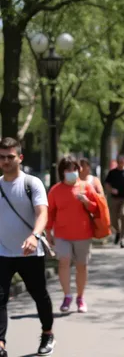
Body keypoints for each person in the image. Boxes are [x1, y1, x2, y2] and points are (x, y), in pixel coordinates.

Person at [0, 137, 55, 356]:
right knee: (0, 298)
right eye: (2, 157)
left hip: (30, 252)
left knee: (39, 294)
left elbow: (43, 213)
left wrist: (35, 236)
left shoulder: (31, 184)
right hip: (3, 252)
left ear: (20, 158)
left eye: (10, 157)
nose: (6, 161)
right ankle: (1, 344)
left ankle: (48, 333)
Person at [46, 157, 98, 315]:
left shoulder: (86, 187)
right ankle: (67, 295)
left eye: (74, 169)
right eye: (68, 170)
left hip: (83, 233)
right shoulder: (55, 190)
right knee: (64, 262)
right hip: (62, 234)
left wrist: (87, 202)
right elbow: (50, 213)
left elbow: (96, 209)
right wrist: (48, 232)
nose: (72, 173)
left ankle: (80, 297)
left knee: (82, 266)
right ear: (62, 172)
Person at [105, 155, 124, 247]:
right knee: (113, 219)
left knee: (123, 215)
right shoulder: (112, 173)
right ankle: (118, 232)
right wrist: (111, 190)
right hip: (114, 198)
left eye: (122, 162)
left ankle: (123, 238)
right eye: (119, 162)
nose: (121, 163)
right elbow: (107, 184)